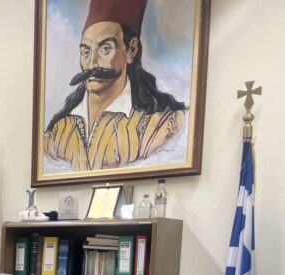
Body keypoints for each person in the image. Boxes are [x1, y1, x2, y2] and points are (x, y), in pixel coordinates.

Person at [44, 0, 187, 171]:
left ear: (131, 50)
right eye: (86, 51)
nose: (92, 64)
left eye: (105, 48)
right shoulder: (58, 131)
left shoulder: (159, 126)